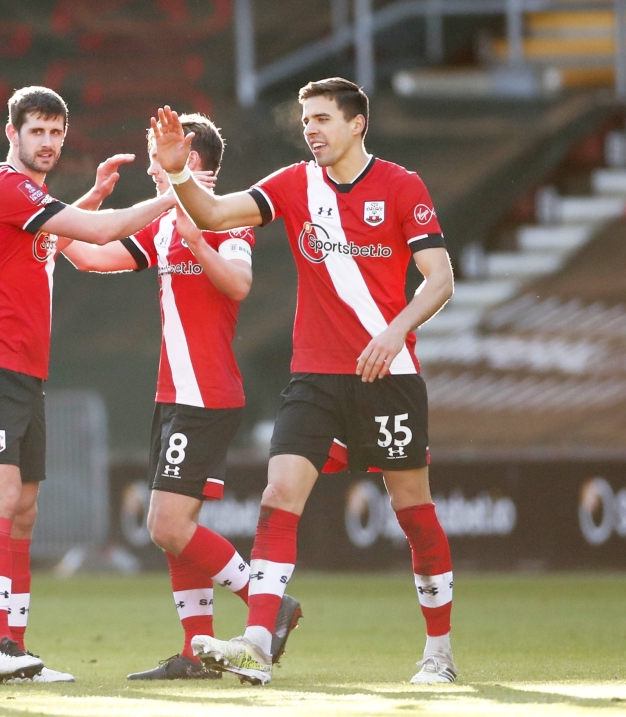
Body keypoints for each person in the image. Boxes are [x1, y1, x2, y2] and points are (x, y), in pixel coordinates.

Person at [152, 77, 456, 686]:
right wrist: (180, 172)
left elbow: (440, 279)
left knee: (413, 511)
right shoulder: (294, 183)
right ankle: (259, 643)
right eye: (305, 120)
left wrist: (395, 332)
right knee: (277, 496)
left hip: (387, 376)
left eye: (321, 119)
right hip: (314, 377)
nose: (310, 130)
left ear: (357, 124)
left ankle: (439, 654)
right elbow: (212, 212)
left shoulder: (401, 186)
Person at [0, 85, 180, 684]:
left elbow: (88, 253)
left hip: (21, 372)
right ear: (13, 135)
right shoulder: (5, 187)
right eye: (37, 131)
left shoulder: (34, 199)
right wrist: (176, 195)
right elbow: (98, 236)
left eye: (56, 133)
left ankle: (16, 649)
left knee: (24, 509)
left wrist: (94, 198)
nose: (47, 142)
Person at [59, 114, 302, 681]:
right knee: (177, 533)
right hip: (174, 395)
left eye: (161, 151)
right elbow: (88, 254)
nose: (150, 163)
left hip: (206, 394)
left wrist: (198, 236)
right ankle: (197, 652)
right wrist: (81, 204)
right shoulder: (163, 220)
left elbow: (239, 285)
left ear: (191, 157)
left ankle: (269, 605)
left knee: (166, 526)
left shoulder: (228, 215)